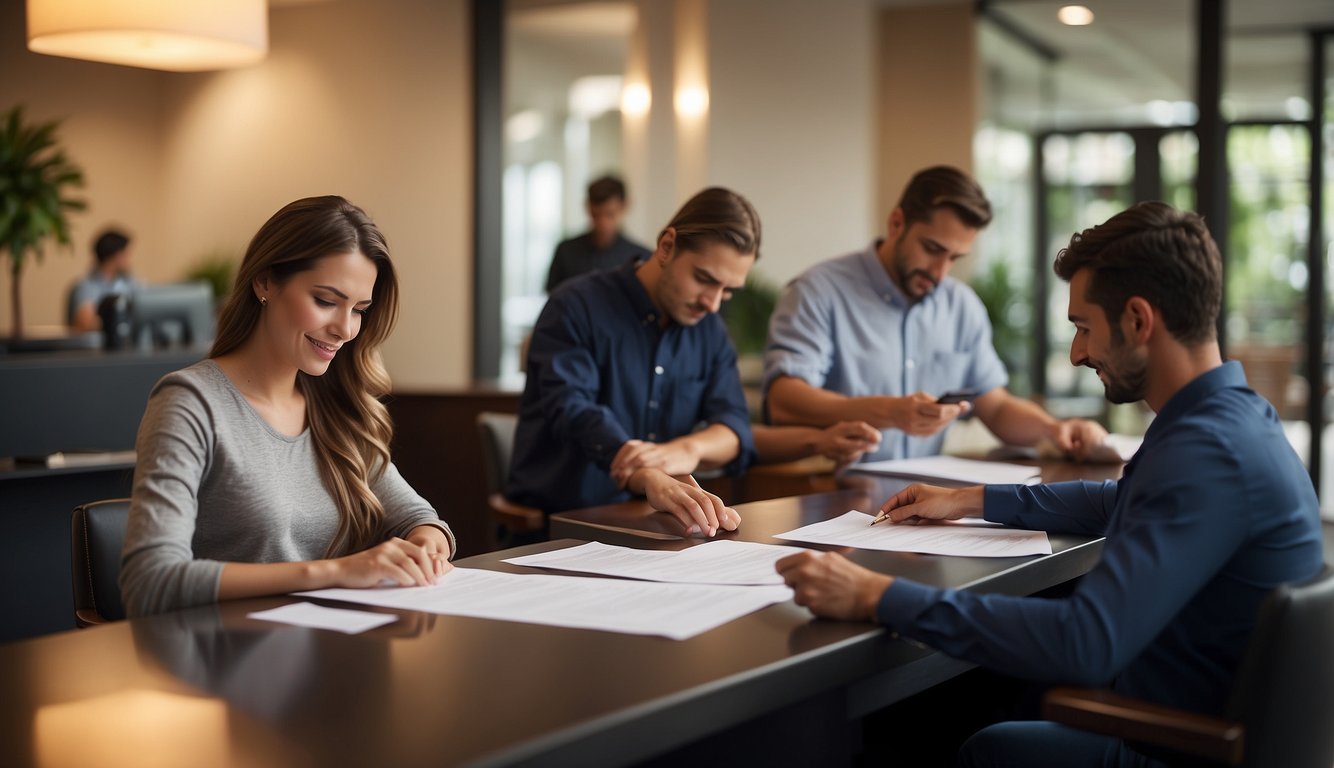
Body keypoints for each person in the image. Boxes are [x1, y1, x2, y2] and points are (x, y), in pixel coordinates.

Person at [775, 201, 1324, 767]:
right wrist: (971, 500)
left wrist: (874, 595)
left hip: (1180, 748)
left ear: (1138, 320)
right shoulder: (1234, 417)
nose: (1077, 352)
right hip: (1201, 720)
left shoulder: (1207, 449)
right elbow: (1119, 501)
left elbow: (1085, 642)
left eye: (1084, 327)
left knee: (986, 745)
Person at [120, 196, 455, 617]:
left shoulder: (336, 406)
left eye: (359, 310)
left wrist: (426, 544)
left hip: (331, 652)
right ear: (264, 283)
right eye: (326, 300)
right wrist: (332, 572)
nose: (345, 329)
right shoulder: (190, 403)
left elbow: (419, 518)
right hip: (224, 659)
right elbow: (150, 582)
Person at [508, 186, 881, 537]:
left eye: (728, 291)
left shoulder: (709, 331)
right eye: (705, 279)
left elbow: (733, 426)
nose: (713, 303)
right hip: (561, 530)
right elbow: (573, 411)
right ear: (667, 245)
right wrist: (646, 469)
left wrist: (683, 452)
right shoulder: (574, 306)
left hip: (661, 533)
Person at [763, 165, 1108, 463]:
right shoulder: (818, 293)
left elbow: (996, 406)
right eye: (932, 249)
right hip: (830, 490)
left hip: (925, 503)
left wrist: (1054, 430)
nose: (941, 272)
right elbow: (784, 401)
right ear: (897, 223)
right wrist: (891, 412)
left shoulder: (961, 306)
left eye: (954, 258)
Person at [545, 174, 651, 292]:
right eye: (596, 215)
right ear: (587, 207)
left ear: (625, 206)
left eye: (610, 214)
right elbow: (553, 298)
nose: (603, 223)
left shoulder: (641, 258)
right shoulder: (565, 251)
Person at [68, 227, 140, 332]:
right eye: (126, 255)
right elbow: (86, 322)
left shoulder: (130, 282)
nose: (129, 260)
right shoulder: (86, 286)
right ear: (117, 256)